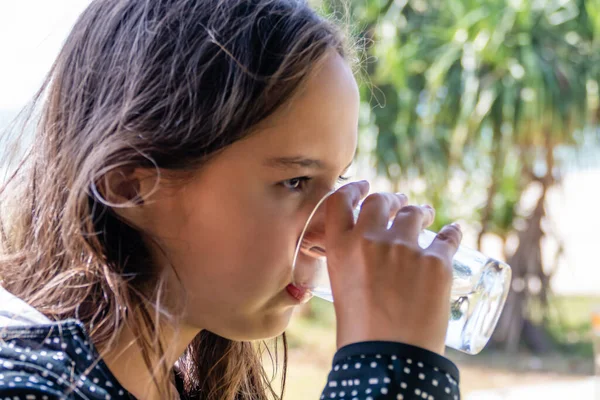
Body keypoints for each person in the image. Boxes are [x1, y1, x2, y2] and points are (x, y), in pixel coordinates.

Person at [0, 0, 463, 399]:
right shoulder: (29, 386)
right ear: (129, 185)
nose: (327, 237)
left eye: (339, 180)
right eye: (296, 181)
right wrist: (391, 367)